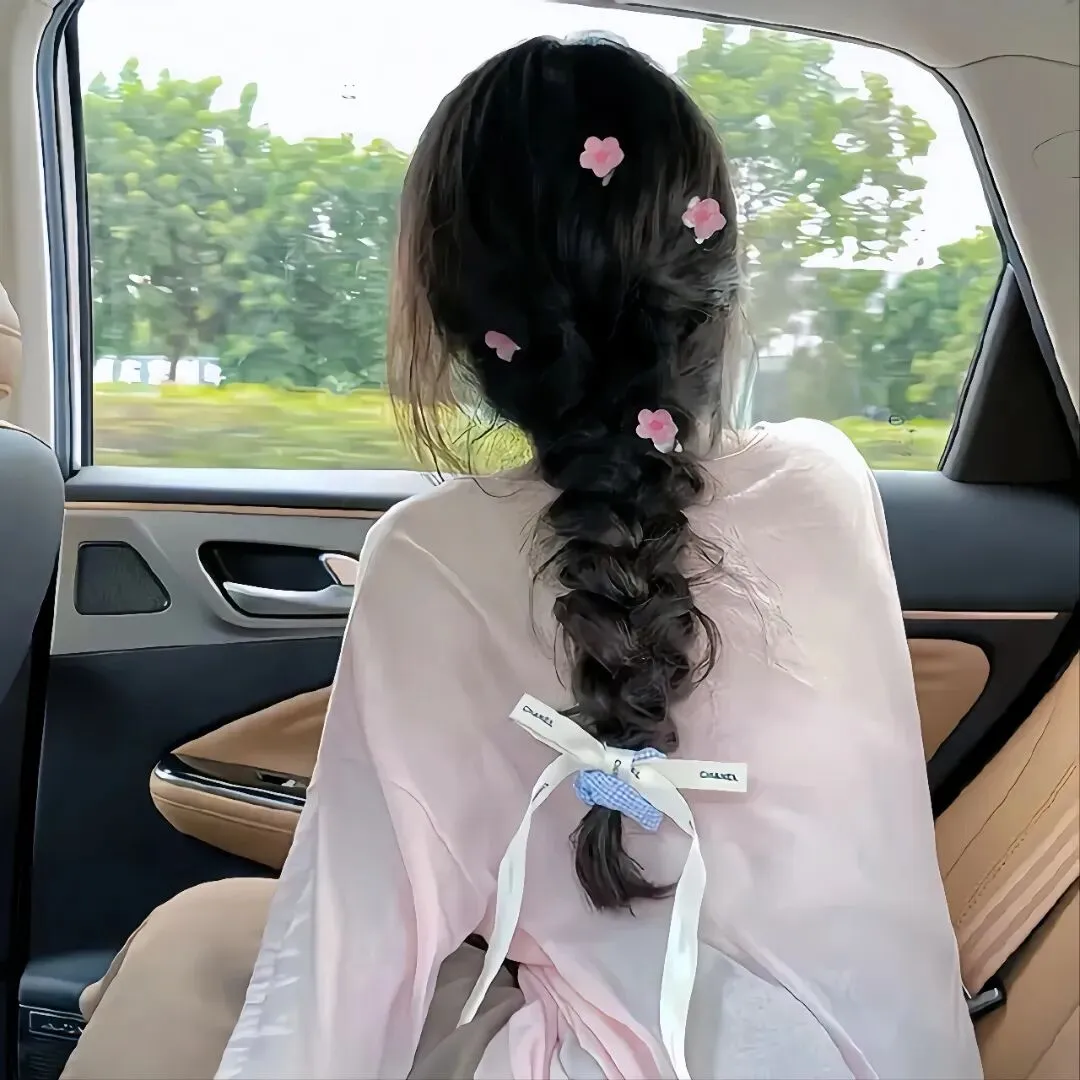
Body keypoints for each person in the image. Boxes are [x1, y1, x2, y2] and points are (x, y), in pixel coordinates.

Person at [209, 35, 982, 1080]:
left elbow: (343, 969)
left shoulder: (431, 557)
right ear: (708, 284)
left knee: (191, 950)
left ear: (455, 306)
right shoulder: (828, 482)